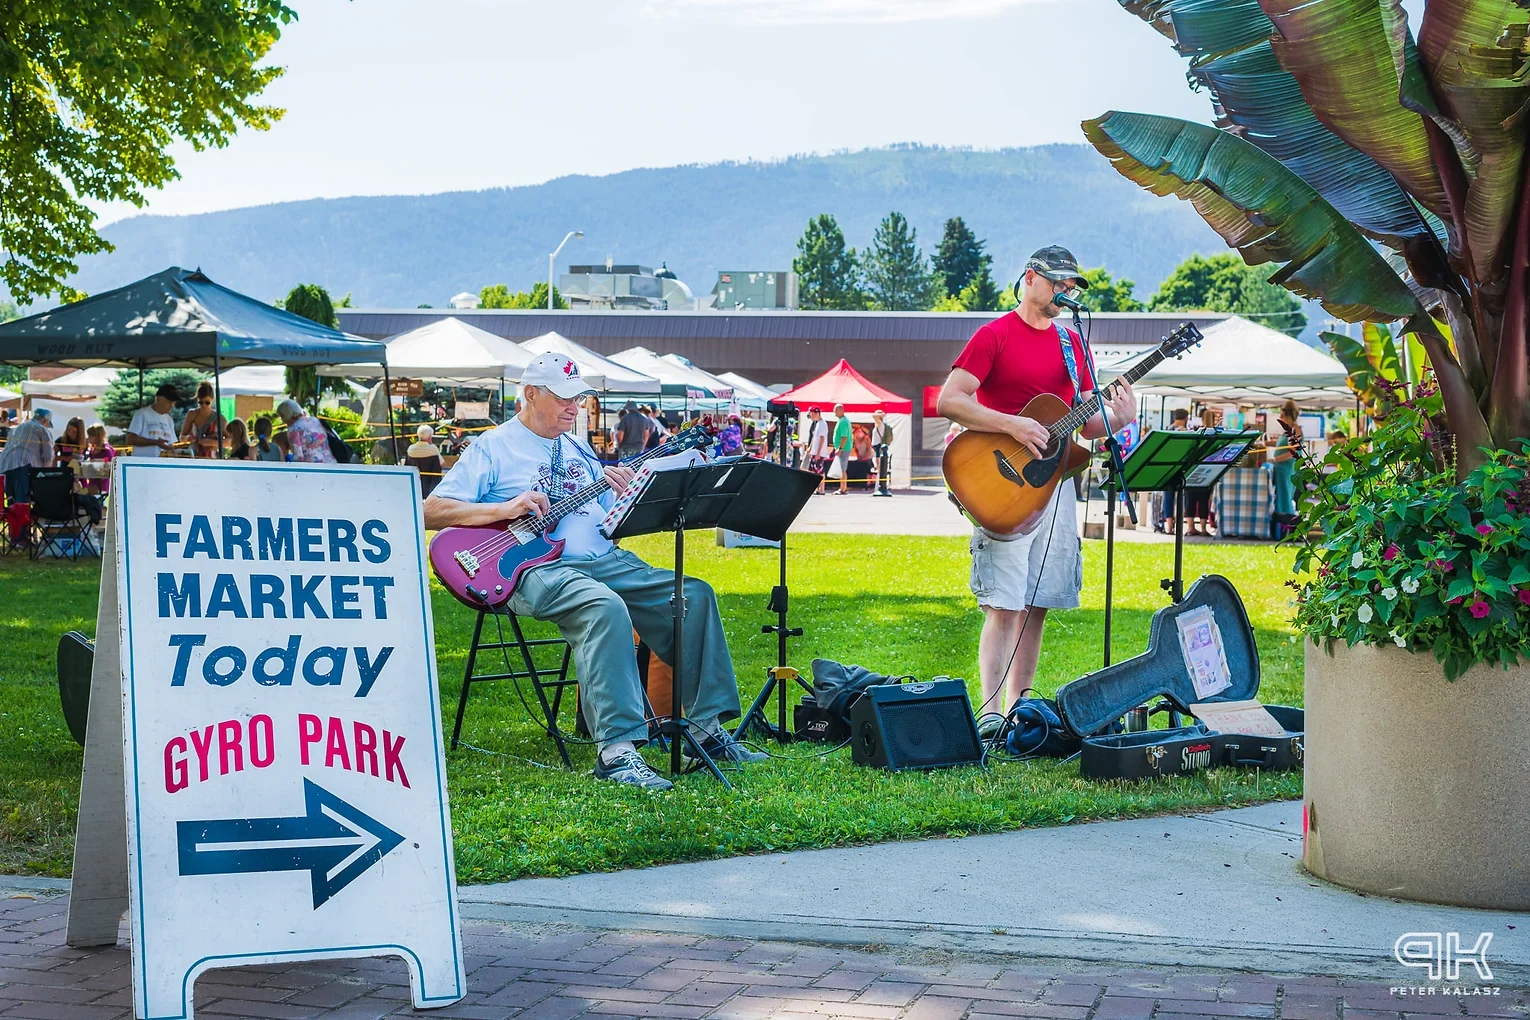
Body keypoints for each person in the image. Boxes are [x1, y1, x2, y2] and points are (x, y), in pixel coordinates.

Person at [422, 353, 762, 791]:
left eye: (578, 398)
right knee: (603, 607)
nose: (573, 407)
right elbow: (432, 510)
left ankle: (704, 730)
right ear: (529, 394)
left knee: (693, 596)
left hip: (603, 559)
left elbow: (602, 516)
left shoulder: (578, 447)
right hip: (530, 567)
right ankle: (617, 752)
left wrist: (629, 496)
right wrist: (504, 508)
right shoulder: (495, 445)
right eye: (563, 398)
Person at [936, 244, 1137, 716]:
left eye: (1071, 286)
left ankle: (1020, 708)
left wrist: (1117, 418)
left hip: (1054, 485)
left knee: (1038, 599)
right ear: (1030, 279)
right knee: (1004, 602)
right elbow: (951, 400)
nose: (1065, 293)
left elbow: (1080, 420)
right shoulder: (993, 336)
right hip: (1002, 482)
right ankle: (989, 714)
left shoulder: (1073, 344)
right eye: (1057, 283)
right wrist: (1012, 424)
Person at [0, 408, 55, 502]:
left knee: (11, 504)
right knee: (22, 503)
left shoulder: (17, 427)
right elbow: (48, 456)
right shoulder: (42, 429)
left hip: (4, 466)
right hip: (22, 466)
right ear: (45, 420)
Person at [1182, 409, 1217, 536]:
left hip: (1193, 471)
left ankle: (1191, 528)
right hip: (1208, 472)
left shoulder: (1196, 433)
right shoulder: (1216, 435)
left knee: (1190, 500)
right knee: (1203, 501)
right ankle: (1203, 529)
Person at [125, 384, 180, 457]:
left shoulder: (169, 419)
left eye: (173, 403)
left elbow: (171, 443)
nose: (171, 405)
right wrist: (155, 442)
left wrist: (173, 452)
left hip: (162, 464)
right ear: (158, 399)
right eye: (168, 402)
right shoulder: (142, 414)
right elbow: (130, 439)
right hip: (142, 463)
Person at [1271, 399, 1304, 520]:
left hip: (1286, 470)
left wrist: (1275, 459)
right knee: (1280, 498)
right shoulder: (1287, 431)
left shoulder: (1296, 430)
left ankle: (1287, 523)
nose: (1280, 417)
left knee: (1285, 498)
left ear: (1289, 416)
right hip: (1281, 470)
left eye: (1282, 415)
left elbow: (1293, 452)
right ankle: (1282, 523)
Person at [276, 399, 334, 464]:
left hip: (311, 468)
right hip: (330, 463)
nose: (282, 421)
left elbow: (298, 457)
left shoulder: (293, 429)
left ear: (287, 414)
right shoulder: (315, 420)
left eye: (282, 416)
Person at [180, 382, 225, 458]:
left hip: (212, 458)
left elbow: (229, 441)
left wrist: (211, 442)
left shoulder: (218, 417)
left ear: (212, 400)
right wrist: (187, 438)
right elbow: (182, 437)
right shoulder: (192, 414)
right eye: (200, 402)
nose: (204, 405)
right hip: (193, 456)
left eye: (207, 402)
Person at [81, 424, 116, 495]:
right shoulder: (92, 450)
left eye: (90, 436)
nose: (88, 438)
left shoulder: (106, 450)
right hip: (92, 482)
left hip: (102, 484)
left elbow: (108, 462)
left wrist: (96, 462)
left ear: (97, 437)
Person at [804, 406, 831, 493]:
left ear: (816, 413)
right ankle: (815, 488)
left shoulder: (823, 424)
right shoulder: (817, 424)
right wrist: (810, 448)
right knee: (812, 470)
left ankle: (822, 489)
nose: (811, 416)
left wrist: (818, 453)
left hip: (819, 452)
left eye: (811, 414)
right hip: (814, 451)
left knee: (820, 471)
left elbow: (822, 439)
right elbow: (814, 437)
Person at [830, 404, 852, 495]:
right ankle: (843, 487)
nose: (834, 413)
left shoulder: (843, 422)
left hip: (844, 448)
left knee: (842, 468)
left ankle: (843, 488)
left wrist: (840, 448)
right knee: (842, 468)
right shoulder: (843, 421)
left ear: (841, 410)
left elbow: (844, 437)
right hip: (844, 448)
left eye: (836, 410)